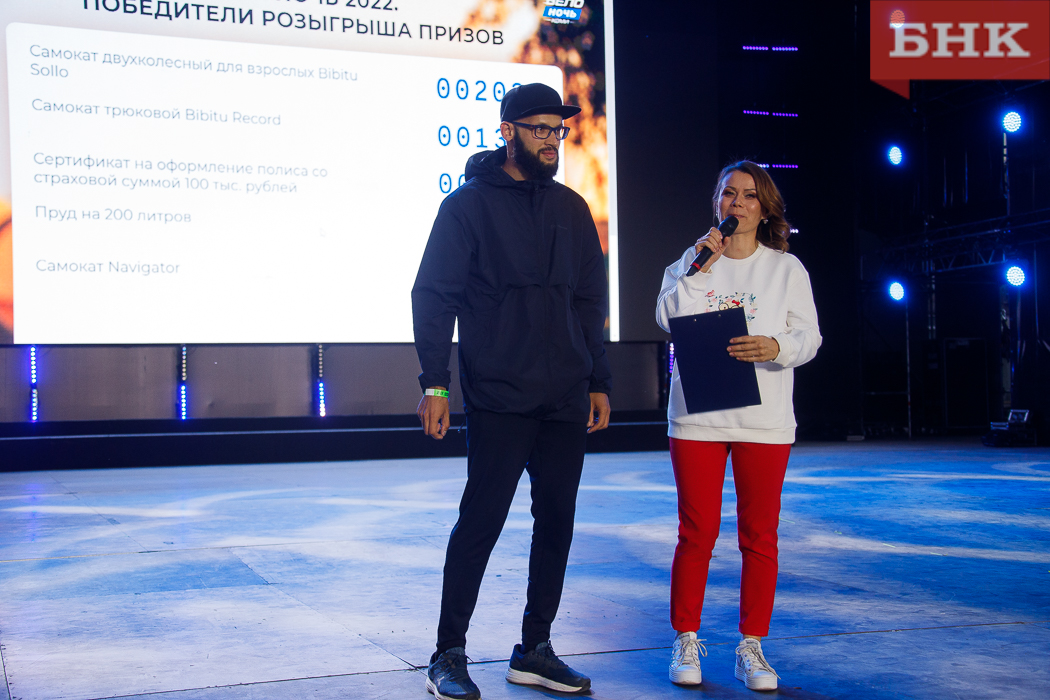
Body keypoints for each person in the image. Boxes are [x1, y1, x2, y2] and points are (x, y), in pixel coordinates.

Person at [412, 83, 612, 700]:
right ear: (507, 132)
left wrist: (598, 379)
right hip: (499, 394)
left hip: (565, 394)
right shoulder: (467, 207)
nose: (552, 140)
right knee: (481, 521)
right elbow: (433, 295)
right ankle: (448, 654)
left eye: (558, 129)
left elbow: (589, 300)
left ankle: (535, 650)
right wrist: (435, 383)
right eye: (539, 129)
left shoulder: (572, 208)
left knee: (557, 523)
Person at [655, 161, 821, 691]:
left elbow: (810, 337)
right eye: (730, 193)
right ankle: (686, 637)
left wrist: (776, 346)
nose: (738, 203)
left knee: (760, 535)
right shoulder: (692, 260)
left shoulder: (786, 269)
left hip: (763, 419)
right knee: (696, 532)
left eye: (750, 195)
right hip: (697, 418)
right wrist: (701, 268)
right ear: (717, 204)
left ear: (764, 207)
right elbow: (666, 318)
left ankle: (752, 646)